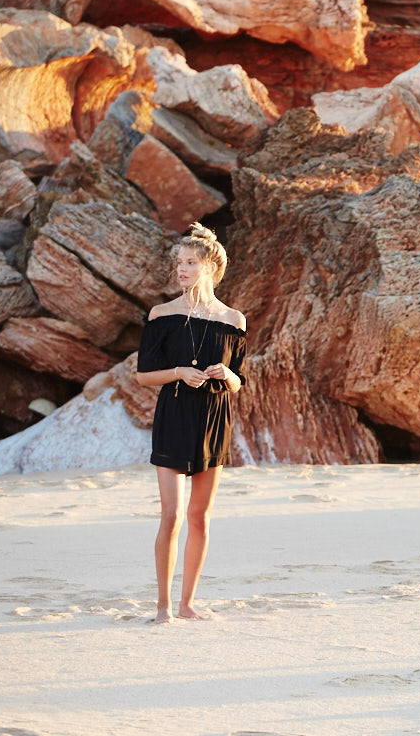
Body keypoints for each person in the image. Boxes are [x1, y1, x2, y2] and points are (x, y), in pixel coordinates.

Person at [133, 223, 247, 623]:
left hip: (215, 419)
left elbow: (239, 380)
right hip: (175, 415)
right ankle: (163, 606)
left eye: (190, 263)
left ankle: (187, 604)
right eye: (179, 262)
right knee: (172, 515)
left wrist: (226, 375)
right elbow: (144, 375)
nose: (181, 269)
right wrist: (180, 371)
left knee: (200, 517)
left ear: (210, 267)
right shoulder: (162, 314)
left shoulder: (234, 320)